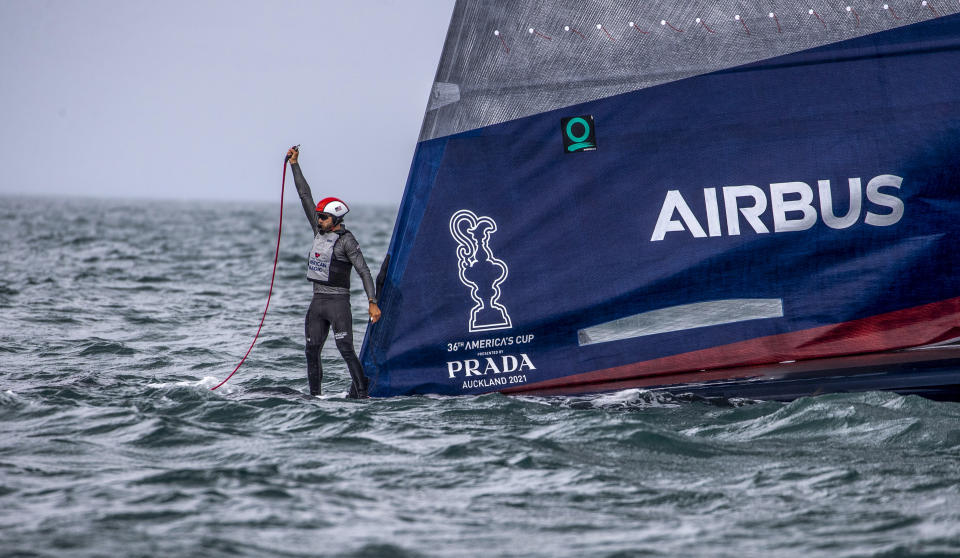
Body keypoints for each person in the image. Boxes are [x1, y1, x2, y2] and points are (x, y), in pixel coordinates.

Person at [287, 147, 381, 398]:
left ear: (336, 219)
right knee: (311, 350)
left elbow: (363, 271)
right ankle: (314, 396)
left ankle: (363, 395)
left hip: (338, 302)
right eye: (318, 217)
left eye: (324, 218)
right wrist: (295, 165)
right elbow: (304, 195)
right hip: (317, 301)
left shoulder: (347, 241)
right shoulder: (319, 232)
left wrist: (372, 303)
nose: (319, 221)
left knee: (345, 349)